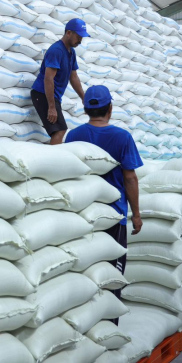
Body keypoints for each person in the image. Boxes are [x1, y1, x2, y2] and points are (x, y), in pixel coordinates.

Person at [65, 85, 143, 323]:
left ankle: (86, 322)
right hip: (113, 216)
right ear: (110, 108)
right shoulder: (122, 137)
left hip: (83, 215)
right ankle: (109, 326)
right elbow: (130, 178)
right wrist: (136, 214)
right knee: (112, 274)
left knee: (86, 271)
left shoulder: (73, 136)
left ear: (85, 109)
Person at [31, 18, 88, 145]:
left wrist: (83, 97)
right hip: (42, 94)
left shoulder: (71, 52)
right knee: (59, 130)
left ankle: (53, 154)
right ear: (68, 33)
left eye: (82, 38)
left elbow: (73, 77)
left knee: (60, 130)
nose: (80, 41)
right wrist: (51, 107)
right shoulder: (57, 50)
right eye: (78, 37)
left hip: (52, 96)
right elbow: (48, 78)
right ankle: (53, 157)